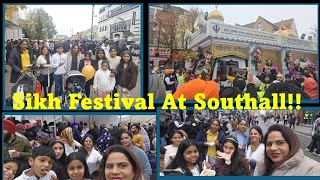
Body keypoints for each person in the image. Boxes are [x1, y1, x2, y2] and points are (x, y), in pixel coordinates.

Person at [254, 124, 320, 176]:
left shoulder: (312, 169)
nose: (272, 148)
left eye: (280, 143)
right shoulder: (261, 166)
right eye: (269, 144)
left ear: (291, 144)